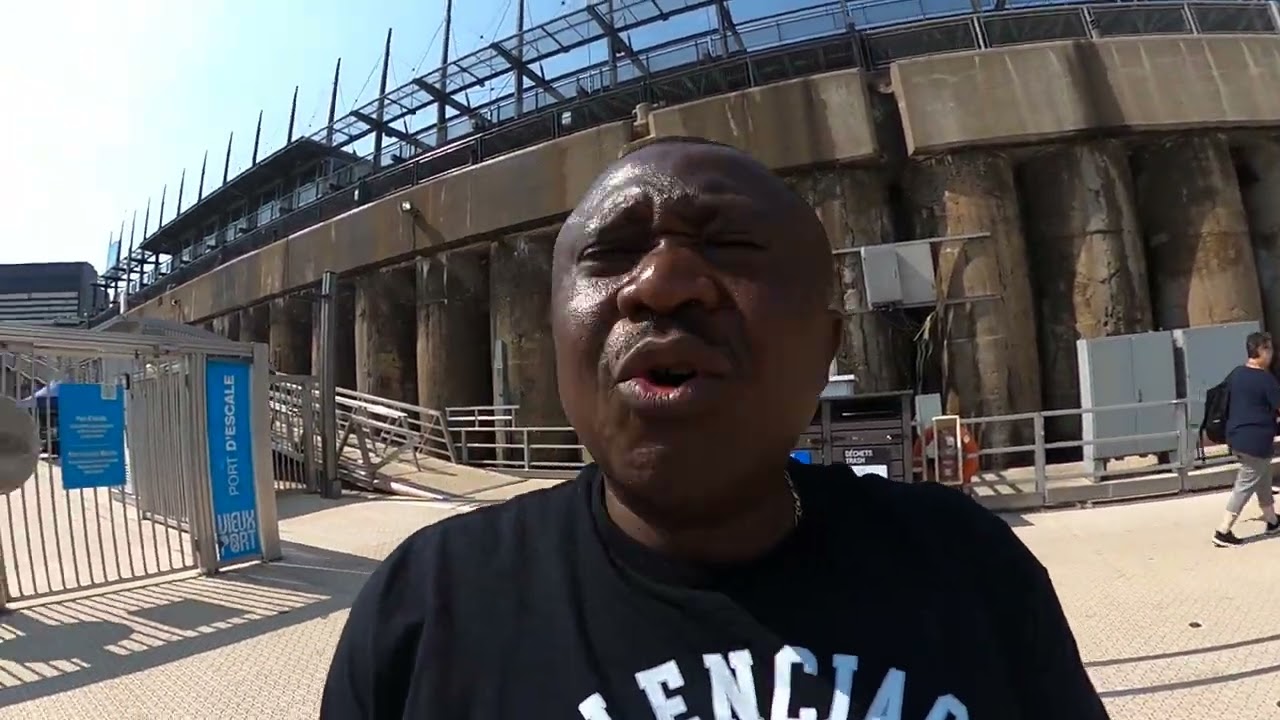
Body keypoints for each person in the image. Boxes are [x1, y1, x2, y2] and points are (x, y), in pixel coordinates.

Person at [321, 136, 1109, 719]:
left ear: (826, 347)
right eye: (613, 254)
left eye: (728, 247)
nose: (662, 283)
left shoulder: (968, 569)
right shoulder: (430, 607)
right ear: (555, 337)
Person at [1212, 331, 1280, 547]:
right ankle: (1223, 531)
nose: (1272, 354)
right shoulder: (1265, 379)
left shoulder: (1236, 374)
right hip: (1256, 439)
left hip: (1236, 437)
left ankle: (1272, 521)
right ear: (1261, 351)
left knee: (1263, 477)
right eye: (1269, 349)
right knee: (1245, 484)